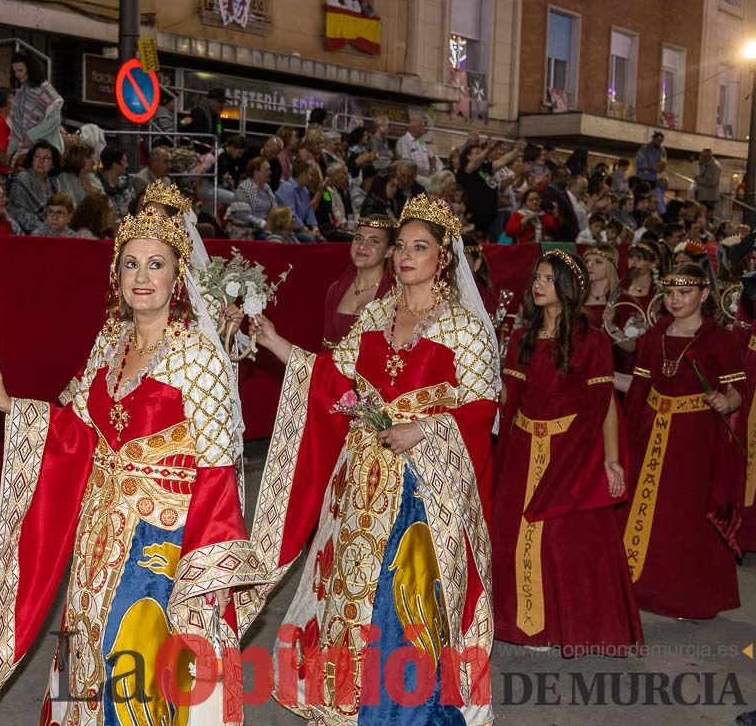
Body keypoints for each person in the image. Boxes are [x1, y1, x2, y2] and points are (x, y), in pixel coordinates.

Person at [0, 205, 259, 725]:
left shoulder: (198, 356)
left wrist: (206, 573)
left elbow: (218, 468)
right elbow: (78, 431)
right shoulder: (110, 342)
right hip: (100, 533)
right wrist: (11, 405)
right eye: (130, 264)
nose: (141, 276)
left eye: (155, 264)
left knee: (132, 660)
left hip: (161, 540)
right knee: (81, 649)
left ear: (178, 277)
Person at [246, 195, 497, 724]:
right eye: (401, 246)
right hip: (360, 483)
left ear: (442, 258)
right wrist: (274, 341)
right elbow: (336, 382)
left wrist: (424, 429)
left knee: (406, 598)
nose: (406, 257)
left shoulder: (463, 329)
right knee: (349, 591)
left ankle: (407, 712)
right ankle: (347, 700)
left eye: (419, 247)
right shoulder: (377, 313)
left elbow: (481, 409)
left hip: (424, 486)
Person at [493, 250, 642, 657]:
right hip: (523, 448)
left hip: (570, 448)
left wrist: (611, 459)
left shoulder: (591, 340)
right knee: (509, 535)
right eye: (536, 278)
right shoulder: (523, 337)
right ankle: (515, 623)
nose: (538, 286)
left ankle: (557, 626)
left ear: (567, 288)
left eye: (547, 279)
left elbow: (604, 402)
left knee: (563, 542)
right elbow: (511, 397)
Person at [617, 263, 746, 618]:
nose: (675, 300)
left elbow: (738, 390)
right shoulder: (656, 332)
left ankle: (685, 595)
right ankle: (640, 586)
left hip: (695, 440)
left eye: (684, 293)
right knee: (648, 511)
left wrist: (727, 401)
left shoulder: (720, 338)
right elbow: (641, 386)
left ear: (704, 295)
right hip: (653, 433)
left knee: (683, 515)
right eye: (670, 293)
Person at [322, 216, 396, 345]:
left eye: (374, 241)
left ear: (389, 251)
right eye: (358, 238)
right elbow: (328, 344)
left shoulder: (395, 295)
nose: (362, 246)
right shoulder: (335, 290)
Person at [7, 50, 63, 154]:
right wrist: (10, 150)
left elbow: (55, 119)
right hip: (24, 150)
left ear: (30, 69)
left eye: (20, 70)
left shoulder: (45, 88)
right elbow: (17, 122)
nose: (17, 75)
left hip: (45, 149)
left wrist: (32, 135)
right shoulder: (20, 91)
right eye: (14, 71)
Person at [8, 140, 60, 233]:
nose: (41, 161)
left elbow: (60, 208)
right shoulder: (23, 178)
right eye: (37, 157)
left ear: (53, 164)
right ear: (32, 160)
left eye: (46, 158)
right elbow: (19, 213)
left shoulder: (54, 182)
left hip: (51, 228)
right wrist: (46, 229)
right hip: (24, 230)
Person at [276, 158, 322, 242]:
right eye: (310, 175)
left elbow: (309, 211)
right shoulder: (287, 187)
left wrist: (315, 228)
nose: (311, 178)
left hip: (298, 229)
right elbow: (291, 214)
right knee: (310, 239)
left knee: (321, 239)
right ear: (303, 174)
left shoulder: (304, 190)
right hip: (285, 229)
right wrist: (307, 231)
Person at [53, 140, 102, 206]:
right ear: (78, 158)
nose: (94, 161)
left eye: (92, 157)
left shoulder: (92, 177)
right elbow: (70, 207)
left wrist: (94, 190)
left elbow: (105, 204)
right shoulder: (65, 178)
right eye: (89, 157)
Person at [183, 87, 227, 153]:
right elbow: (197, 135)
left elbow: (219, 132)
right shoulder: (199, 112)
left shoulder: (218, 120)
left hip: (211, 151)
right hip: (196, 151)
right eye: (220, 102)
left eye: (224, 103)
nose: (223, 106)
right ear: (210, 101)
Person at [395, 116, 438, 183]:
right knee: (429, 185)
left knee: (440, 184)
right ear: (416, 128)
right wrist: (415, 174)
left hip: (427, 175)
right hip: (413, 176)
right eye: (423, 127)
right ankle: (422, 193)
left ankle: (424, 193)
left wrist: (433, 170)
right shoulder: (403, 141)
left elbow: (432, 156)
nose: (425, 129)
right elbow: (405, 163)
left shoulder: (420, 141)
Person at [95, 146, 133, 220]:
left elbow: (132, 206)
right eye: (124, 161)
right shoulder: (97, 183)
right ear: (115, 165)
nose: (127, 165)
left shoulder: (126, 182)